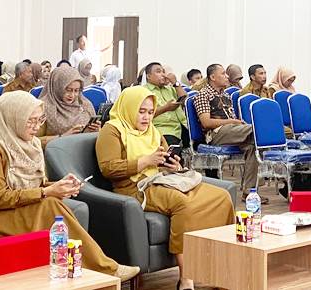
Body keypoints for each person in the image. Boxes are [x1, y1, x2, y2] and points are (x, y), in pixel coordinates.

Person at [0, 91, 139, 282]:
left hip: (13, 208)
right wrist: (47, 192)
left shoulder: (31, 143)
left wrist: (59, 185)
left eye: (39, 120)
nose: (36, 127)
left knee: (51, 204)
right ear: (12, 119)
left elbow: (36, 184)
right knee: (50, 205)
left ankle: (84, 271)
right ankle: (104, 268)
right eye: (30, 121)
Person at [96, 86, 233, 290]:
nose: (146, 118)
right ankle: (186, 278)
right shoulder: (112, 129)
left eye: (150, 112)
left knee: (221, 197)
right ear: (128, 108)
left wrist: (173, 165)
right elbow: (108, 168)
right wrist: (144, 162)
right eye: (141, 112)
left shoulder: (152, 130)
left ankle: (220, 268)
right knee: (182, 202)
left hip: (162, 179)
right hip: (134, 187)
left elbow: (160, 159)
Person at [193, 64, 261, 201]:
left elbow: (233, 122)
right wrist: (231, 121)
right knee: (257, 130)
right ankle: (269, 166)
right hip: (216, 134)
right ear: (212, 77)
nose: (227, 76)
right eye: (223, 74)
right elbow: (206, 123)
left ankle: (249, 191)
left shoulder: (226, 95)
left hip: (232, 132)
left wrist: (235, 122)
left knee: (253, 147)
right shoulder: (203, 95)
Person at [36, 68, 100, 147]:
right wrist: (63, 137)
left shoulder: (85, 104)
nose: (72, 95)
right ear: (57, 87)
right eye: (68, 90)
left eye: (76, 90)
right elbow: (33, 141)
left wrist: (96, 131)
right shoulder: (43, 107)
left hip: (84, 151)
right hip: (56, 154)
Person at [143, 62, 189, 147]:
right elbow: (143, 115)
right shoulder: (144, 91)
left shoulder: (170, 89)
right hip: (163, 131)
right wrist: (166, 108)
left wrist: (175, 83)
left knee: (201, 143)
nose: (163, 75)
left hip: (183, 127)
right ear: (148, 76)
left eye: (163, 72)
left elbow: (186, 100)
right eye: (158, 71)